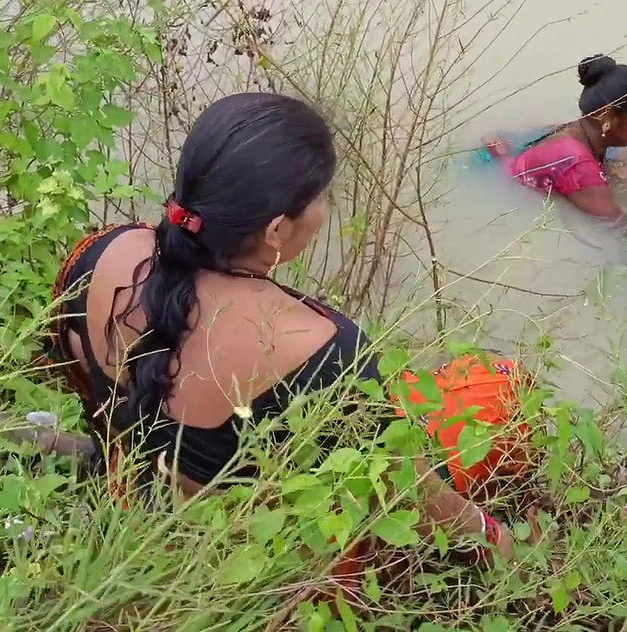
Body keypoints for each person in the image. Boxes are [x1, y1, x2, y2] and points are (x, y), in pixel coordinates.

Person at [44, 92, 530, 571]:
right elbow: (412, 493)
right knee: (499, 387)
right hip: (240, 564)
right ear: (275, 230)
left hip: (129, 485)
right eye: (320, 197)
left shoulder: (105, 250)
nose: (323, 212)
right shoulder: (312, 346)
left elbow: (75, 365)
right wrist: (496, 539)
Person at [488, 54, 627, 226]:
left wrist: (622, 160)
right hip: (499, 182)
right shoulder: (578, 166)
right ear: (606, 115)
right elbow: (620, 227)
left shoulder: (578, 130)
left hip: (506, 159)